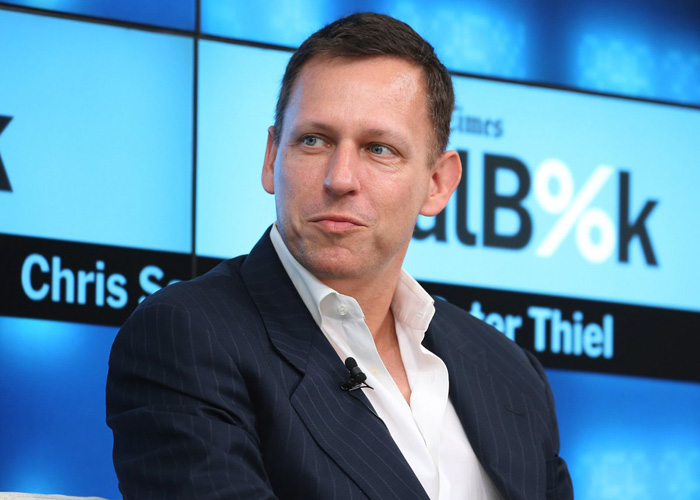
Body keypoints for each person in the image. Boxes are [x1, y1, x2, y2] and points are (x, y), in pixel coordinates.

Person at [106, 12, 573, 500]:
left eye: (379, 149)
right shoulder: (185, 337)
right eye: (314, 141)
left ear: (437, 183)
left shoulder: (509, 371)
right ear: (272, 157)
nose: (340, 178)